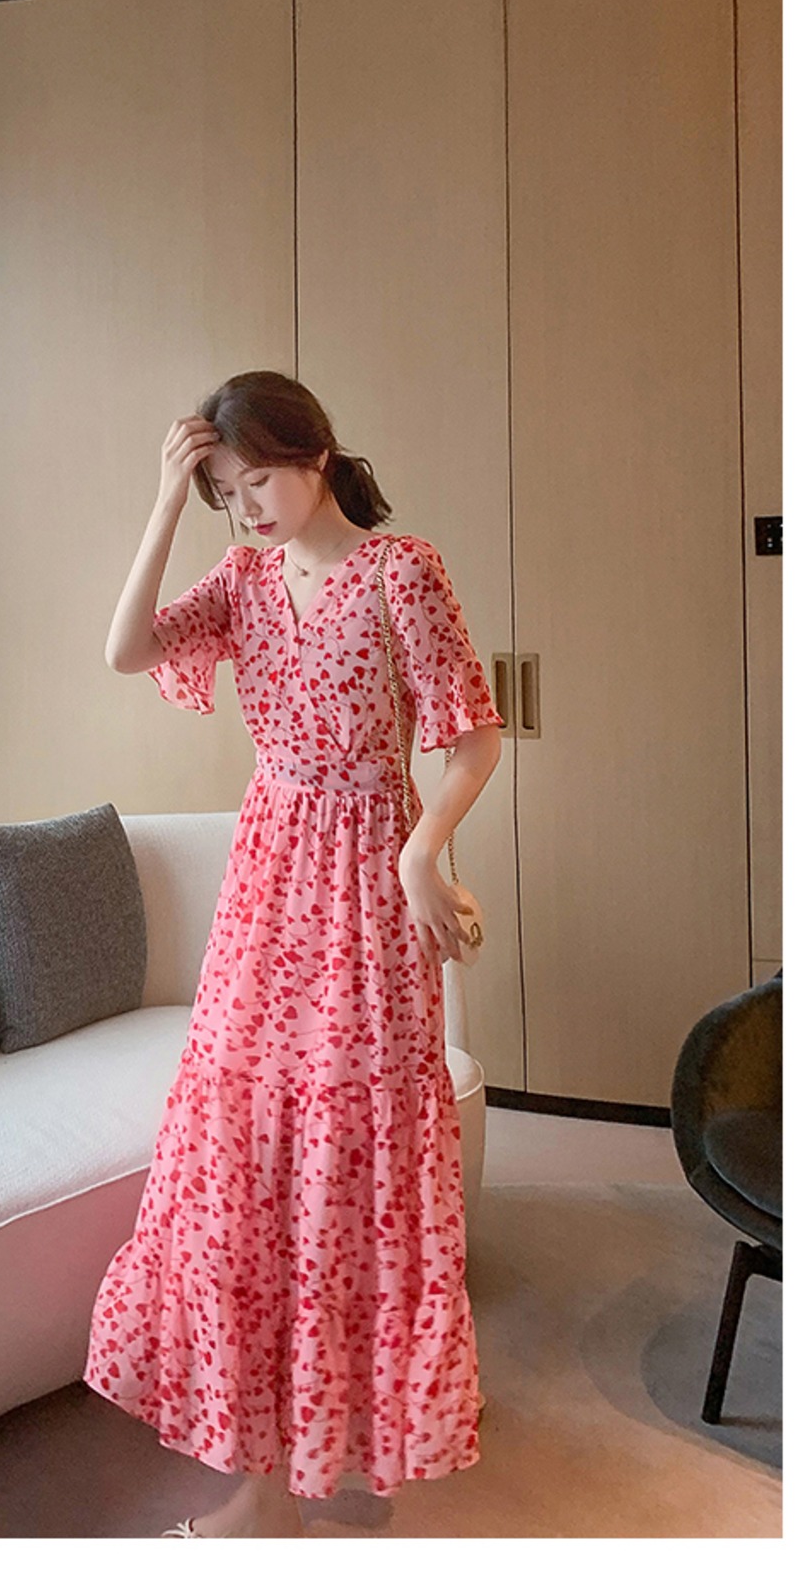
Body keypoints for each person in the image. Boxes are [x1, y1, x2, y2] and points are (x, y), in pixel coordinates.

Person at [83, 370, 504, 1537]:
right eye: (226, 492)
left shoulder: (399, 570)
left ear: (313, 453)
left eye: (256, 478)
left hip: (367, 884)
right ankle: (263, 1478)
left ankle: (350, 1433)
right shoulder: (242, 579)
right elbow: (125, 649)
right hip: (267, 881)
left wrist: (421, 850)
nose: (247, 507)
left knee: (356, 1151)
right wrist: (165, 502)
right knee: (244, 1148)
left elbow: (471, 736)